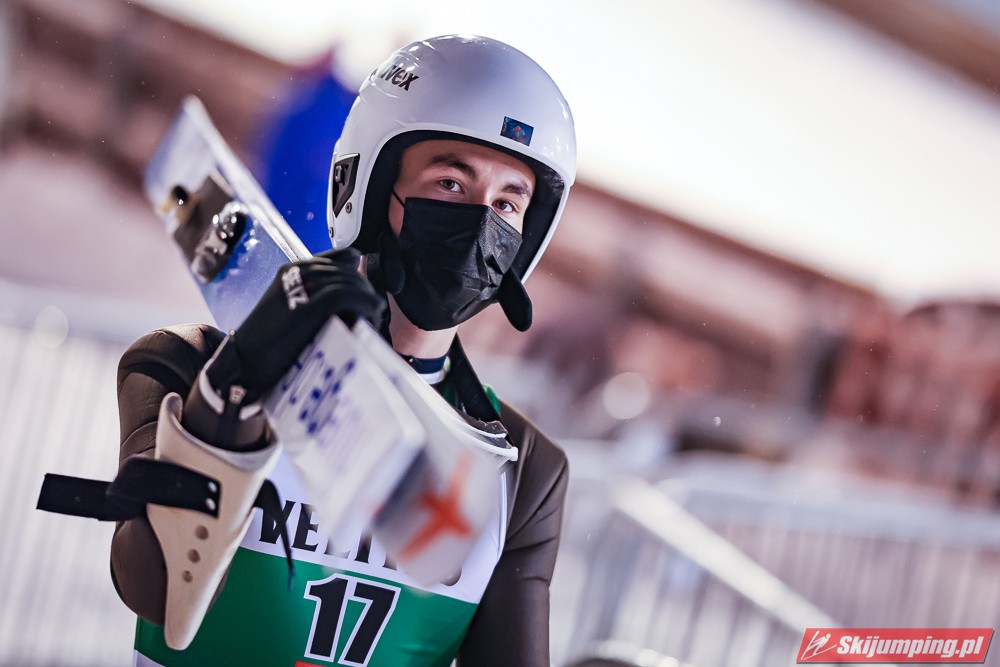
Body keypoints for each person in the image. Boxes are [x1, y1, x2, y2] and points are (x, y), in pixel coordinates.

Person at [107, 34, 577, 666]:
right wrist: (236, 384)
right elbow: (151, 585)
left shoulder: (523, 472)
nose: (479, 225)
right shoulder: (180, 363)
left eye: (507, 203)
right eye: (449, 183)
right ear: (370, 188)